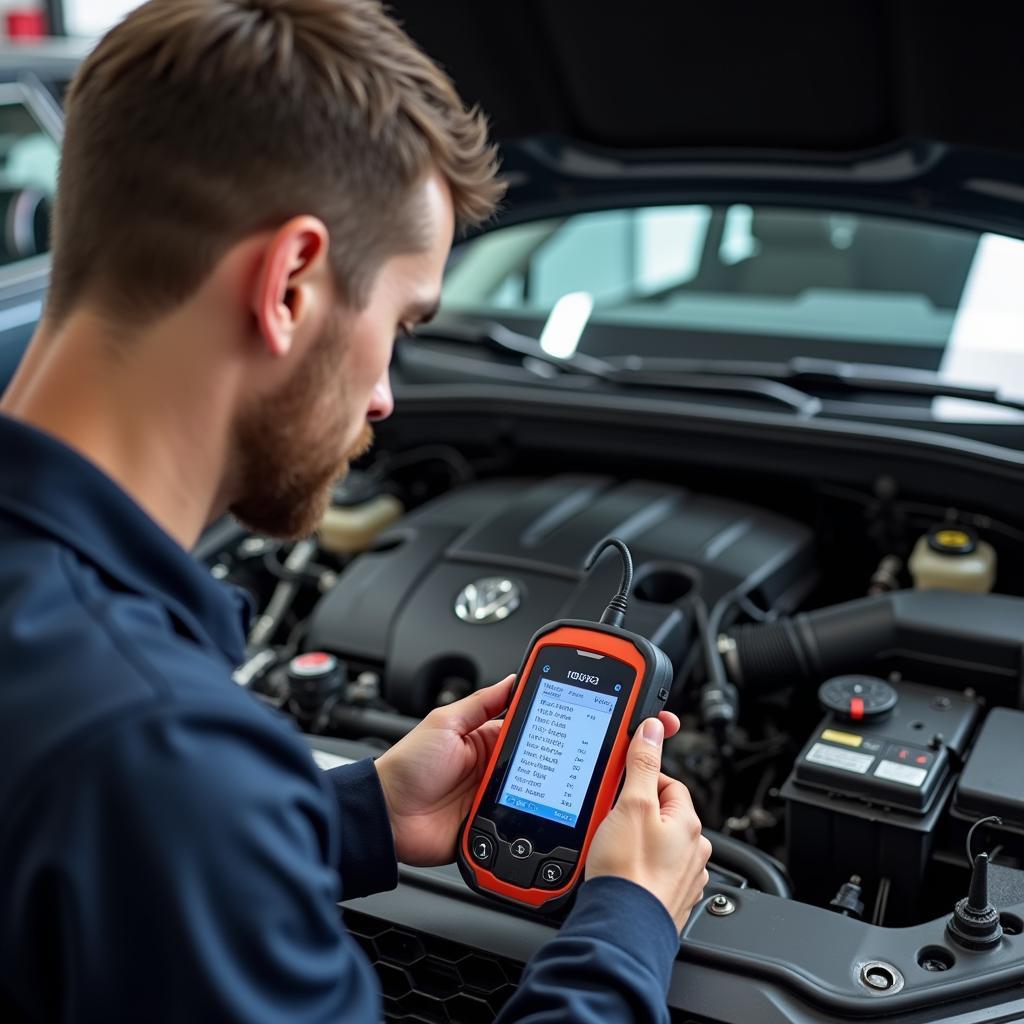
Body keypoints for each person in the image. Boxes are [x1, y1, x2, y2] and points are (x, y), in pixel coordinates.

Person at [0, 1, 712, 1021]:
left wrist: (352, 816)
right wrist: (627, 926)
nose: (385, 397)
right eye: (400, 321)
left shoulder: (114, 719)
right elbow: (154, 802)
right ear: (290, 282)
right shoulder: (155, 747)